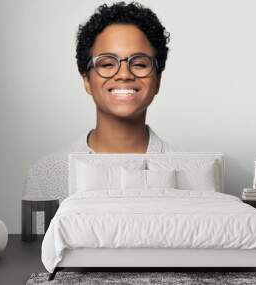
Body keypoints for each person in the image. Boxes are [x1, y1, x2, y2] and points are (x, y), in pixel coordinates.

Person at [23, 2, 180, 206]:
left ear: (157, 80)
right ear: (87, 80)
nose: (124, 74)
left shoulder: (186, 170)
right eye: (107, 64)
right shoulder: (46, 175)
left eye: (140, 64)